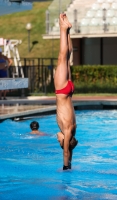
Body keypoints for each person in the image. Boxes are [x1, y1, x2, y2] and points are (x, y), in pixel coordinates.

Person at [54, 13, 78, 170]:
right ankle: (64, 29)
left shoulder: (72, 128)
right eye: (60, 142)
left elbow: (70, 152)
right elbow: (66, 153)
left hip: (68, 90)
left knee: (67, 57)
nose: (57, 140)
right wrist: (65, 167)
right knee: (62, 57)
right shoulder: (68, 131)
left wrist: (70, 161)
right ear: (65, 142)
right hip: (62, 90)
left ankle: (67, 30)